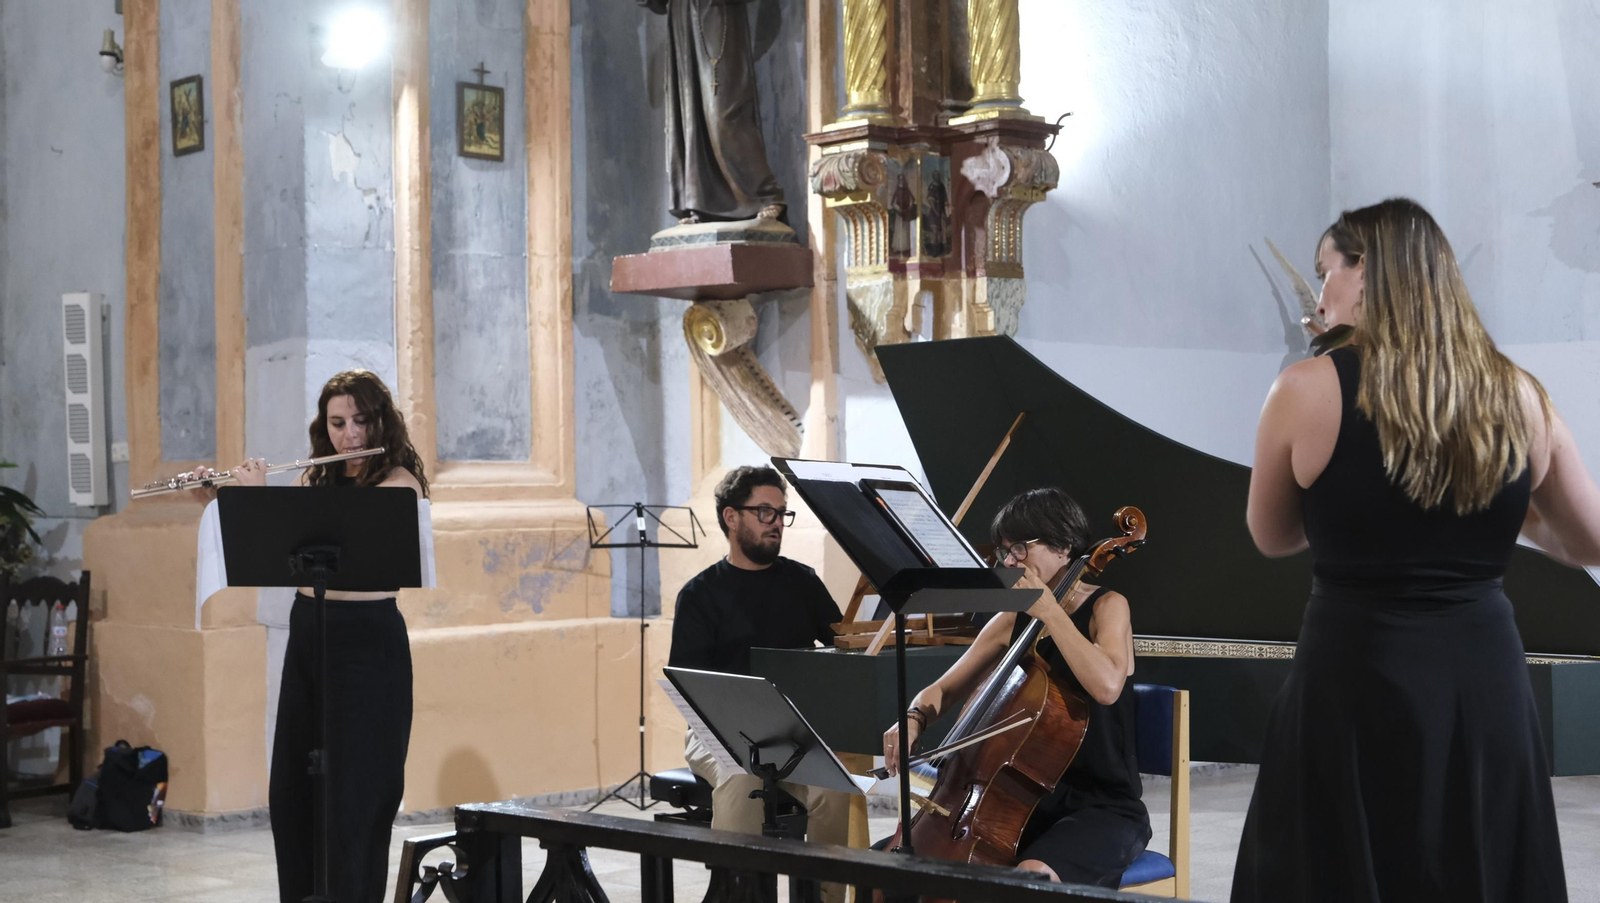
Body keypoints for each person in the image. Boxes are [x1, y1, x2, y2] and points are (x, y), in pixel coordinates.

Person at [1232, 198, 1600, 902]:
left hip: (1354, 676)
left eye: (1326, 270)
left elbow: (1271, 533)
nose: (1320, 292)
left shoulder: (1305, 389)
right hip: (1481, 682)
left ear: (1365, 271)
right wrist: (1493, 510)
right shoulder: (1518, 393)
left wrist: (1355, 503)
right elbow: (1588, 537)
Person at [196, 370, 428, 903]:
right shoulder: (314, 481)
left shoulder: (397, 484)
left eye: (361, 421)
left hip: (368, 645)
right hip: (311, 637)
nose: (350, 434)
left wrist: (259, 500)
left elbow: (352, 529)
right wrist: (225, 500)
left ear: (380, 422)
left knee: (358, 795)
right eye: (338, 423)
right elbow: (271, 551)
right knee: (294, 791)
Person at [881, 487, 1150, 888]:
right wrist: (913, 718)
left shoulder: (1109, 607)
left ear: (1063, 545)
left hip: (1102, 808)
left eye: (1020, 548)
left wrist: (1049, 611)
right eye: (1005, 551)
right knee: (880, 864)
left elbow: (1107, 686)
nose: (1009, 561)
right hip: (1019, 803)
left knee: (1030, 880)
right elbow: (942, 690)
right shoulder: (1011, 618)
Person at [667, 466, 848, 892]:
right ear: (731, 517)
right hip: (717, 729)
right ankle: (737, 894)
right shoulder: (699, 595)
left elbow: (844, 645)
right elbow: (689, 690)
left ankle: (827, 899)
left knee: (835, 792)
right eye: (764, 512)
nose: (776, 524)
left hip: (792, 729)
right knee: (744, 779)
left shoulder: (801, 582)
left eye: (782, 514)